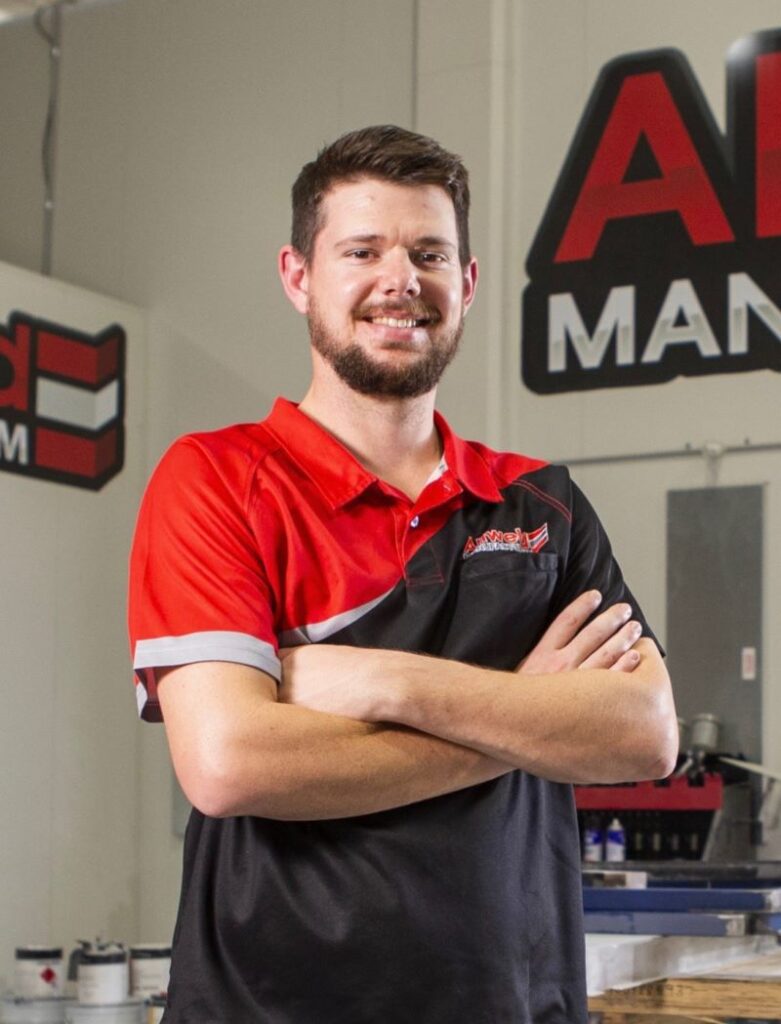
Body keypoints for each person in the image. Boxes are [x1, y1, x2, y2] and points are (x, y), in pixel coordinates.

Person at [128, 125, 677, 1023]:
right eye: (362, 250)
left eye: (429, 253)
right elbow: (230, 765)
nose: (400, 280)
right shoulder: (217, 479)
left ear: (464, 283)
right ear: (298, 276)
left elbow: (641, 734)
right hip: (268, 1007)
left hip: (510, 1005)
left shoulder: (540, 504)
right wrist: (521, 717)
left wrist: (385, 680)